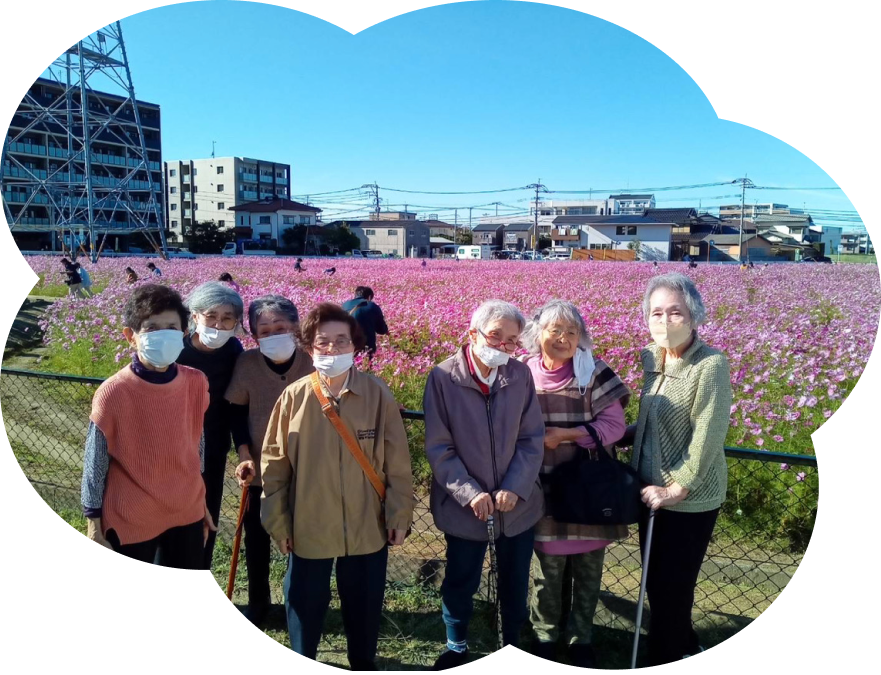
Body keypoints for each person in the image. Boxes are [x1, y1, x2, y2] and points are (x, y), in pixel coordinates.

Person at [261, 303, 414, 670]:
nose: (332, 349)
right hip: (309, 522)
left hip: (367, 522)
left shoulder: (376, 393)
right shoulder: (294, 397)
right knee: (304, 600)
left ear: (355, 345)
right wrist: (279, 523)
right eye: (323, 342)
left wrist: (399, 514)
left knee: (364, 602)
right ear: (308, 347)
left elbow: (397, 463)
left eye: (341, 341)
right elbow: (274, 467)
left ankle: (363, 661)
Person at [423, 300, 545, 669]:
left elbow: (531, 438)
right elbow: (439, 447)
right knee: (461, 577)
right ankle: (456, 644)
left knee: (515, 579)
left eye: (512, 341)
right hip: (464, 507)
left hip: (516, 506)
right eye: (495, 336)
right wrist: (470, 493)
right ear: (473, 333)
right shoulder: (443, 377)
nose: (503, 346)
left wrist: (516, 486)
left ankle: (510, 640)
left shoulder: (519, 375)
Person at [628, 273, 732, 666]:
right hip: (650, 492)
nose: (665, 320)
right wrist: (615, 433)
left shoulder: (710, 364)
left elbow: (708, 431)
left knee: (672, 584)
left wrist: (679, 487)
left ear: (694, 316)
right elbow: (654, 418)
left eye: (675, 312)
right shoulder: (653, 358)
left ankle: (665, 653)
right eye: (657, 312)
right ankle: (686, 643)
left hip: (689, 498)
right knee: (657, 581)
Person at [519, 301, 630, 667]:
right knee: (546, 573)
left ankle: (581, 637)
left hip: (588, 490)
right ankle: (545, 634)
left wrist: (565, 435)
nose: (563, 338)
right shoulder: (522, 372)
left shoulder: (594, 372)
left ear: (581, 337)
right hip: (541, 486)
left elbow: (614, 427)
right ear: (538, 333)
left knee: (588, 571)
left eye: (572, 332)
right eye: (555, 330)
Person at [81, 284, 216, 568]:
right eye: (152, 328)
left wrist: (200, 500)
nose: (163, 334)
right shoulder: (113, 392)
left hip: (186, 509)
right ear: (131, 336)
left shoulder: (196, 382)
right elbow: (95, 462)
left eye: (171, 327)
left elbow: (196, 445)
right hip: (132, 515)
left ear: (184, 333)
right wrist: (93, 523)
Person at [225, 295, 315, 625]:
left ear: (296, 327)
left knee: (302, 536)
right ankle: (258, 601)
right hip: (259, 468)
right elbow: (236, 412)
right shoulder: (247, 364)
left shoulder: (313, 358)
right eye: (264, 330)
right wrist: (243, 454)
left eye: (280, 327)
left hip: (306, 467)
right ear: (253, 334)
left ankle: (297, 601)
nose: (273, 334)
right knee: (256, 537)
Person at [176, 282, 245, 570]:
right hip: (175, 448)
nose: (218, 324)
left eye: (227, 318)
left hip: (214, 447)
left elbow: (238, 401)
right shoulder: (177, 350)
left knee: (208, 518)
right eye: (211, 316)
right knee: (172, 521)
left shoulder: (233, 349)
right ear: (195, 316)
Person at [341, 287, 389, 358]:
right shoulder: (372, 306)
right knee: (365, 362)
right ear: (369, 297)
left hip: (346, 343)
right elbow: (381, 330)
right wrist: (385, 330)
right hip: (366, 345)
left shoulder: (345, 305)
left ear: (355, 295)